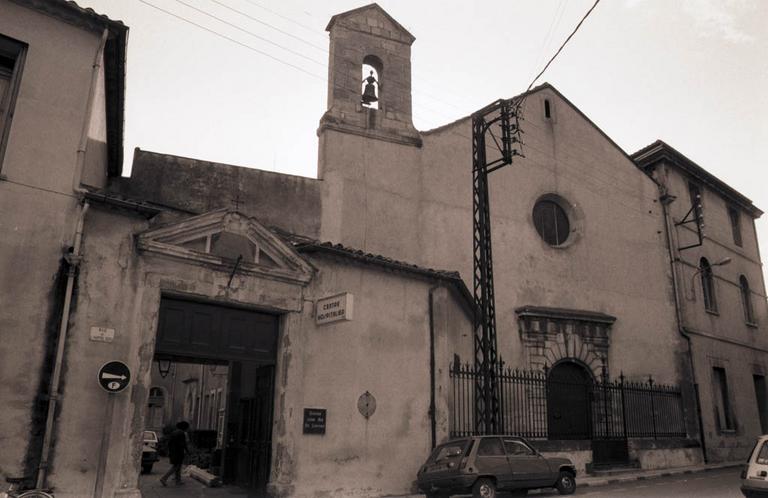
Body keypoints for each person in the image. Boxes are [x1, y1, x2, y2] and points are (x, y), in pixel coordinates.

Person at [159, 421, 189, 486]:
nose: (187, 429)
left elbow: (169, 443)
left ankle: (178, 481)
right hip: (178, 452)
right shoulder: (181, 433)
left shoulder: (174, 432)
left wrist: (168, 451)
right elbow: (183, 444)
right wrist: (188, 451)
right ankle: (164, 478)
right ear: (184, 427)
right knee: (176, 466)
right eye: (187, 427)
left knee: (178, 466)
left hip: (173, 452)